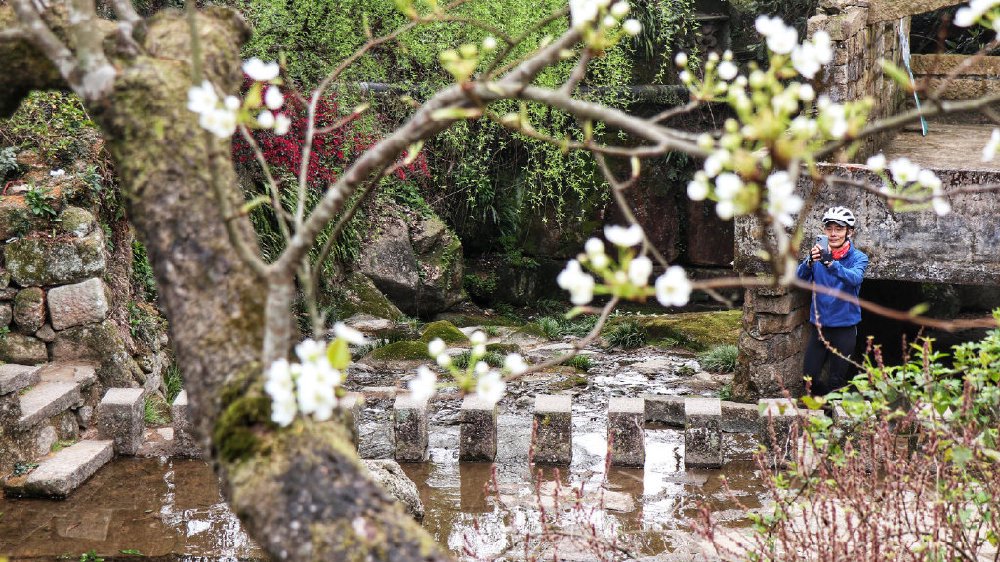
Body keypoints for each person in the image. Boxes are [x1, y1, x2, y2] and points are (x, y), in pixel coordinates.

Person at [796, 206, 869, 396]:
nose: (833, 234)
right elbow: (798, 280)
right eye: (829, 229)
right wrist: (809, 263)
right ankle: (820, 411)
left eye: (839, 229)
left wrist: (831, 264)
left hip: (844, 328)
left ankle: (832, 418)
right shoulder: (818, 253)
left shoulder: (859, 258)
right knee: (809, 379)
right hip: (819, 327)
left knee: (836, 381)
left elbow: (855, 278)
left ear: (849, 232)